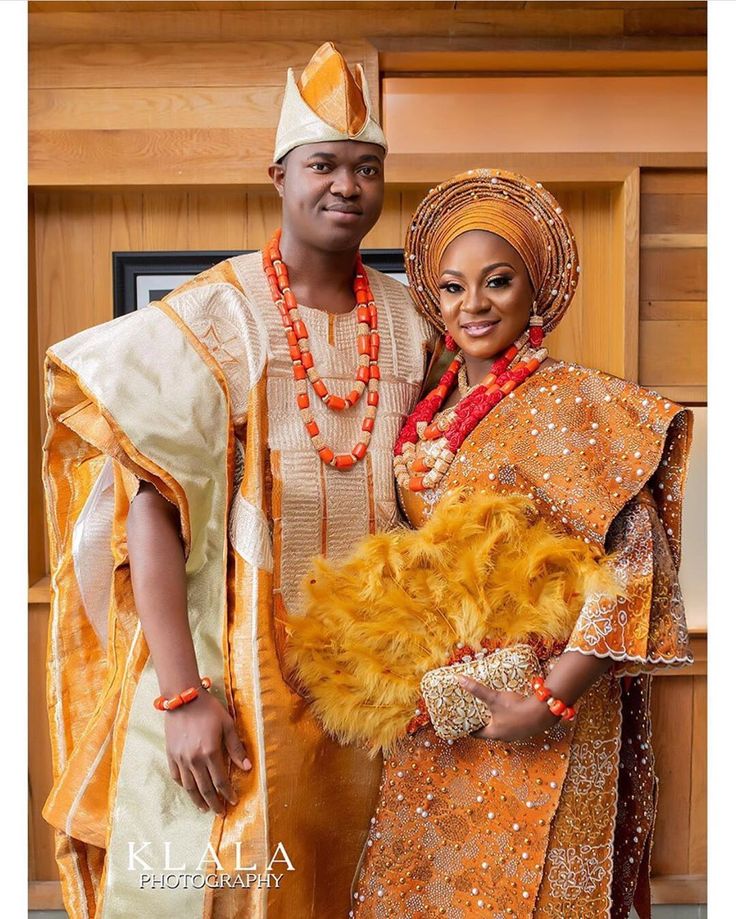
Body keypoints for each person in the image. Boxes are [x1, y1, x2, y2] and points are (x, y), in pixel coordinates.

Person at [40, 42, 436, 919]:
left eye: (367, 168)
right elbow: (151, 512)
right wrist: (180, 695)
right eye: (324, 164)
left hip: (377, 690)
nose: (346, 185)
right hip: (235, 681)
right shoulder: (215, 317)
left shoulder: (415, 321)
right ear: (279, 174)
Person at [286, 169, 693, 918]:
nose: (472, 305)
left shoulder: (580, 402)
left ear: (534, 289)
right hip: (444, 709)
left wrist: (548, 700)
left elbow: (635, 567)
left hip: (549, 710)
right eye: (451, 288)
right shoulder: (425, 408)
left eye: (496, 282)